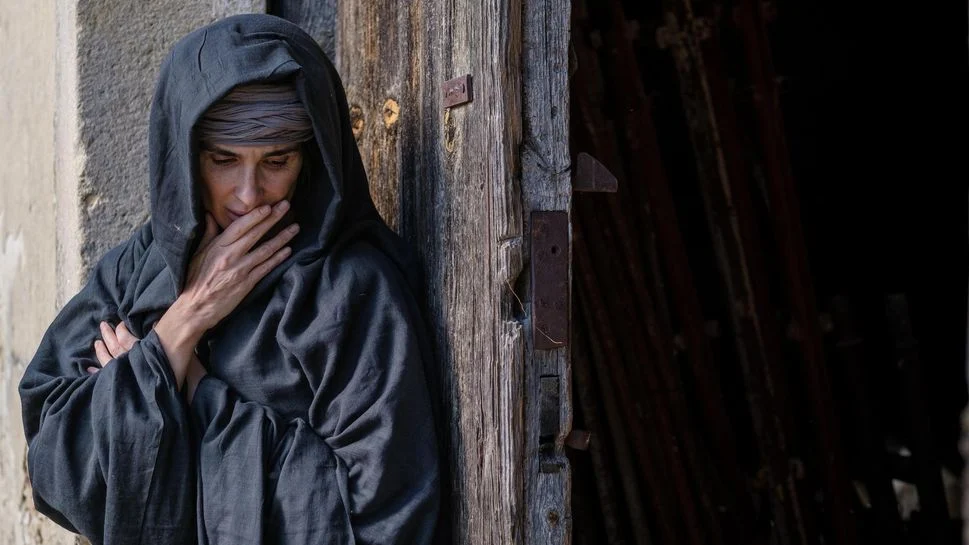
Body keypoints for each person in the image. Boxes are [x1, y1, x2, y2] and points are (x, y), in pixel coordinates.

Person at [19, 13, 443, 545]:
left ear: (309, 160)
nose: (248, 195)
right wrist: (184, 321)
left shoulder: (350, 293)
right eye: (223, 160)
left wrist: (192, 394)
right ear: (186, 160)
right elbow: (57, 463)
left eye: (277, 161)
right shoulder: (139, 270)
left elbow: (385, 522)